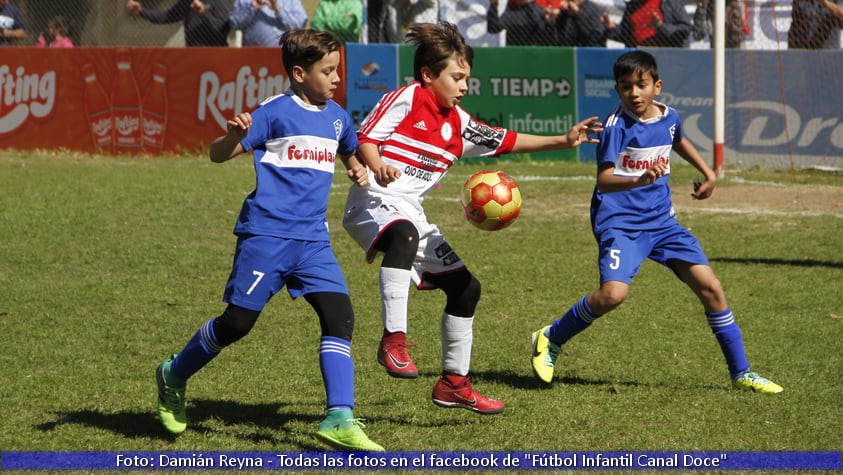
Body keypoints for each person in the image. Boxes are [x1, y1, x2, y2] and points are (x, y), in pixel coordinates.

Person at [342, 21, 602, 415]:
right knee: (405, 235)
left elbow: (505, 140)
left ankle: (453, 383)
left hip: (410, 212)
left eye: (467, 78)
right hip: (373, 201)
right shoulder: (409, 97)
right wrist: (377, 166)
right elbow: (366, 137)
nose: (464, 86)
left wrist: (562, 141)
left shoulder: (458, 123)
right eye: (457, 77)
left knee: (466, 288)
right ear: (429, 75)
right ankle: (393, 341)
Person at [154, 28, 384, 452]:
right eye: (327, 71)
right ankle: (174, 373)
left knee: (340, 317)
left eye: (338, 70)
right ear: (299, 73)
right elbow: (217, 154)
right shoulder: (274, 112)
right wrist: (231, 134)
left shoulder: (336, 115)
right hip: (267, 236)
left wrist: (357, 167)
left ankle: (339, 417)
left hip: (313, 241)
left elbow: (349, 147)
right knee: (236, 324)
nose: (336, 78)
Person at [529, 50, 783, 396]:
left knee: (711, 288)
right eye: (625, 87)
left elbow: (677, 139)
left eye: (640, 85)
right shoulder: (616, 127)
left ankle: (742, 373)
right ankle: (551, 336)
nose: (633, 93)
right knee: (612, 295)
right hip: (620, 223)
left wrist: (707, 172)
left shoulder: (669, 116)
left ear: (656, 86)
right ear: (617, 91)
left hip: (662, 223)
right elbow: (604, 180)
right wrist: (640, 179)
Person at [125, 0, 231, 47]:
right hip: (192, 57)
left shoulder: (219, 1)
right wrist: (141, 11)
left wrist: (203, 13)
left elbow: (223, 29)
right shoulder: (188, 2)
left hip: (216, 57)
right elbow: (167, 16)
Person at [603, 0, 692, 48]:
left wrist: (660, 26)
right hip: (638, 60)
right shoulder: (632, 7)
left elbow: (686, 28)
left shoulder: (669, 3)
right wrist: (612, 27)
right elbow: (626, 35)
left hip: (665, 57)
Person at [229, 0, 308, 47]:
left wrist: (278, 10)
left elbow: (300, 25)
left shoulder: (290, 1)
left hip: (285, 57)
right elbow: (234, 23)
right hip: (256, 58)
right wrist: (251, 8)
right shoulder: (246, 1)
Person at [487, 0, 560, 46]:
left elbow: (553, 40)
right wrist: (494, 4)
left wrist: (551, 23)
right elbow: (493, 28)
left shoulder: (543, 13)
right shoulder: (512, 14)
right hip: (515, 55)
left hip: (538, 56)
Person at [369, 0, 438, 43]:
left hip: (417, 45)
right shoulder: (392, 7)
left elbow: (431, 3)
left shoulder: (422, 6)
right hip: (392, 44)